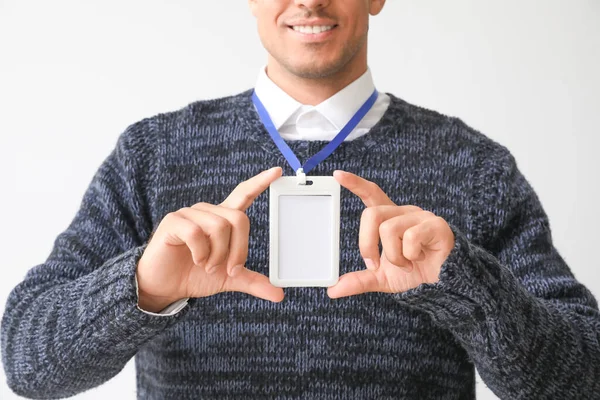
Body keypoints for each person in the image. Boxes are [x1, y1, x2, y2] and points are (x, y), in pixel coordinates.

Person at [2, 0, 599, 398]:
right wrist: (143, 290)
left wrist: (465, 286)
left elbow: (585, 375)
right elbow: (26, 360)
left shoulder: (475, 165)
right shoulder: (151, 155)